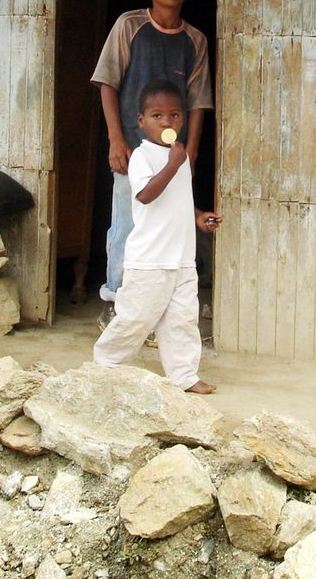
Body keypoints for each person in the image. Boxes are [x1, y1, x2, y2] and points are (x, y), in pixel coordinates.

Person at [82, 0, 213, 313]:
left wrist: (192, 151)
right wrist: (115, 139)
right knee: (127, 224)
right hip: (131, 146)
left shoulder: (195, 41)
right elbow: (107, 82)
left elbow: (198, 100)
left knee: (169, 225)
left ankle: (156, 307)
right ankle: (116, 300)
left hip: (173, 151)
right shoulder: (129, 25)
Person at [92, 79, 220, 394]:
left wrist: (199, 217)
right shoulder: (142, 157)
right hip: (149, 260)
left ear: (183, 119)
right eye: (157, 115)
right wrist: (174, 164)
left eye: (174, 115)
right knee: (135, 318)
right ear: (142, 121)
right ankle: (106, 364)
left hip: (181, 259)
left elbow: (176, 202)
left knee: (182, 321)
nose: (166, 122)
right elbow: (147, 195)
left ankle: (184, 376)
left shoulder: (179, 158)